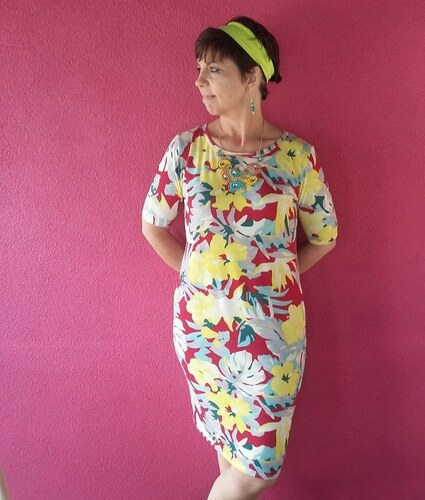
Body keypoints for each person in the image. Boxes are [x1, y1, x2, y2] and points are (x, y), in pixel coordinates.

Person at [142, 16, 338, 500]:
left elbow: (325, 236)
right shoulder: (187, 150)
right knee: (229, 451)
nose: (199, 81)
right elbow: (153, 224)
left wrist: (271, 279)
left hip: (273, 335)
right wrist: (203, 278)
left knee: (258, 471)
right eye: (198, 69)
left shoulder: (296, 158)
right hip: (203, 330)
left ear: (252, 77)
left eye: (213, 69)